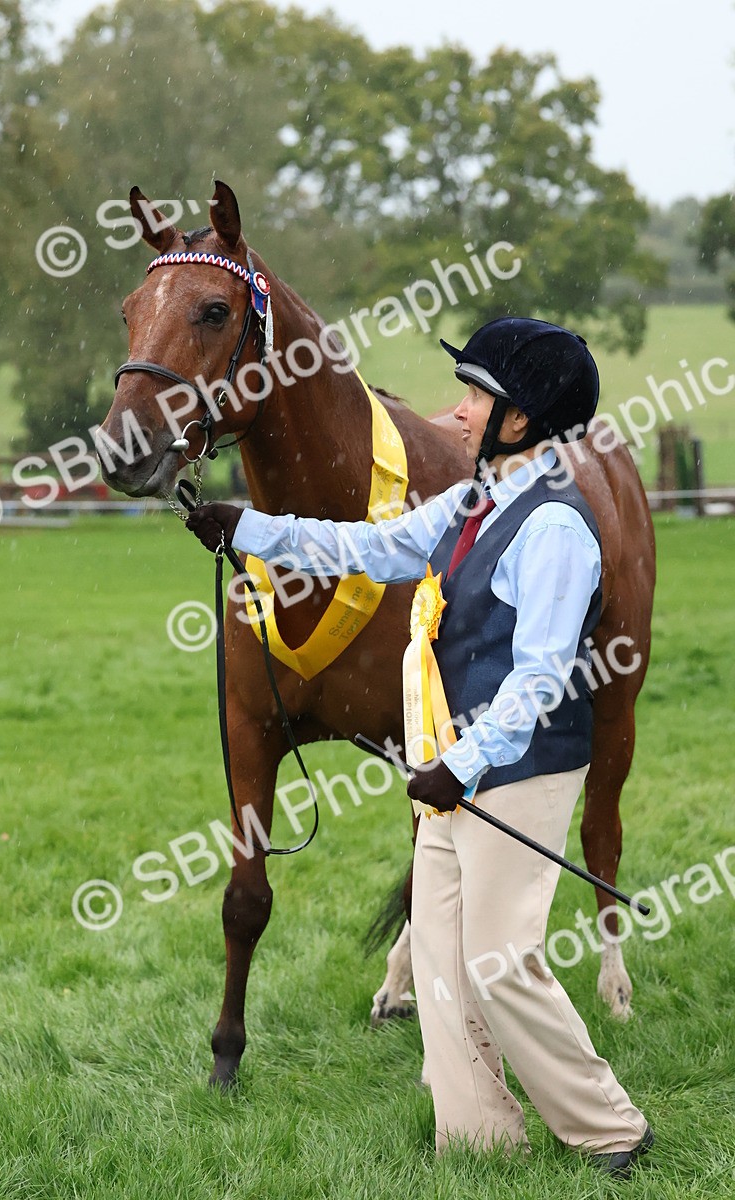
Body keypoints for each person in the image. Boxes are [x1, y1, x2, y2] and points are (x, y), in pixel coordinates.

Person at [186, 317, 653, 1179]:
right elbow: (368, 547)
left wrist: (458, 767)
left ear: (521, 421)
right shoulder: (478, 499)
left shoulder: (554, 528)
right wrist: (247, 529)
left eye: (480, 396)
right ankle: (478, 1136)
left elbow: (542, 679)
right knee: (439, 965)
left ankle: (611, 1127)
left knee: (500, 962)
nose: (460, 412)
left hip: (517, 772)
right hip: (448, 770)